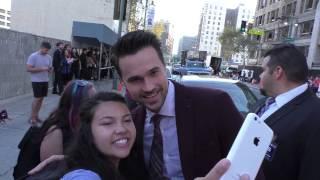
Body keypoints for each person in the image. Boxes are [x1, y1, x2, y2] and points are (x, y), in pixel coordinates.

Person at [111, 30, 254, 180]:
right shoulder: (130, 124)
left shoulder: (215, 105)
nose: (148, 87)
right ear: (123, 83)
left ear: (165, 67)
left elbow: (252, 169)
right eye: (135, 80)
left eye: (153, 73)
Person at [27, 92, 250, 180]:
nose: (122, 129)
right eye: (107, 123)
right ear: (88, 133)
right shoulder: (86, 177)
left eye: (127, 120)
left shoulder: (122, 166)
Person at [257, 44, 320, 180]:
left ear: (278, 72)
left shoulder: (315, 116)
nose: (260, 75)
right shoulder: (265, 103)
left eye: (263, 70)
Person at [39, 80, 96, 161]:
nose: (96, 104)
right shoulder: (56, 132)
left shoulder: (87, 123)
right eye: (91, 100)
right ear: (76, 104)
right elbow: (50, 169)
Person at [26, 41, 53, 126]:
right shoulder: (33, 56)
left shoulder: (49, 57)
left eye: (48, 50)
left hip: (45, 80)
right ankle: (32, 117)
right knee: (37, 98)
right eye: (45, 50)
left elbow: (49, 68)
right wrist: (42, 69)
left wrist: (50, 69)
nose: (47, 52)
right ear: (41, 47)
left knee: (41, 99)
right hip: (36, 80)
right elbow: (28, 69)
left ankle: (36, 116)